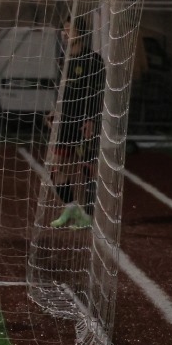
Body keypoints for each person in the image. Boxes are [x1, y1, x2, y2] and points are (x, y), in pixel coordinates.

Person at [50, 15, 105, 230]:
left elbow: (96, 94)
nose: (64, 33)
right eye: (63, 29)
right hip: (65, 123)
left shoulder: (93, 60)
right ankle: (71, 207)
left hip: (84, 123)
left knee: (88, 170)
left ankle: (89, 216)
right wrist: (55, 111)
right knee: (57, 169)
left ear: (80, 33)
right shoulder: (65, 59)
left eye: (69, 29)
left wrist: (91, 119)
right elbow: (63, 92)